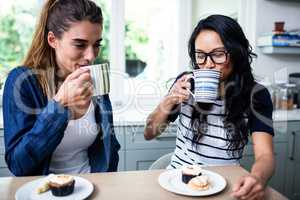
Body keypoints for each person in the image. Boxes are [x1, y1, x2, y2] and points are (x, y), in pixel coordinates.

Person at [144, 15, 275, 200]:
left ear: (236, 52)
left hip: (227, 186)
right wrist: (168, 101)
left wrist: (257, 177)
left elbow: (265, 156)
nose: (208, 63)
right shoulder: (186, 83)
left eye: (218, 54)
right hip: (178, 183)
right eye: (200, 55)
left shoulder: (256, 95)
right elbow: (149, 133)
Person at [3, 0, 120, 176]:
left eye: (96, 45)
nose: (90, 56)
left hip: (93, 187)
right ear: (52, 40)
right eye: (80, 44)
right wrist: (59, 104)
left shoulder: (94, 79)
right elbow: (18, 165)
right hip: (44, 190)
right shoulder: (22, 82)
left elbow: (110, 146)